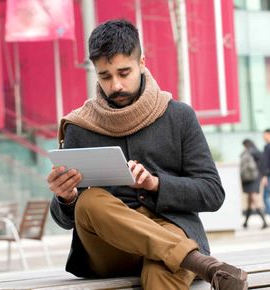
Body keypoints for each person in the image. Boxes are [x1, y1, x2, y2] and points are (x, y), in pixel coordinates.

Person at [46, 19, 247, 290]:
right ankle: (204, 265)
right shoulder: (79, 127)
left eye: (124, 72)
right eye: (105, 76)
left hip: (170, 229)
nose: (115, 85)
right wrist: (66, 197)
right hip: (110, 249)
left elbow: (212, 193)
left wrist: (156, 184)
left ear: (142, 63)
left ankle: (185, 257)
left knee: (164, 265)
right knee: (90, 200)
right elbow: (67, 219)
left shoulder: (178, 116)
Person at [240, 139, 267, 229]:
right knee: (250, 200)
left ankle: (264, 221)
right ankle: (246, 223)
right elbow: (263, 164)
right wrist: (263, 175)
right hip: (255, 177)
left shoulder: (250, 152)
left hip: (251, 178)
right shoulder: (257, 151)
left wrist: (263, 176)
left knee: (254, 198)